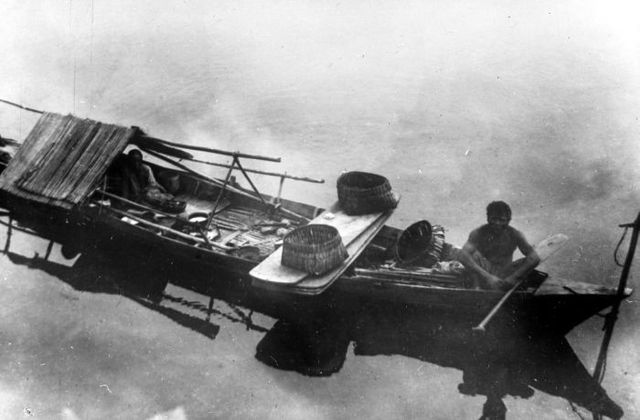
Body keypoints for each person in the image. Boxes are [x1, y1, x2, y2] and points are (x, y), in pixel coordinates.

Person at [456, 201, 540, 290]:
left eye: (501, 220)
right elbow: (462, 255)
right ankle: (476, 288)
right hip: (484, 273)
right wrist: (488, 277)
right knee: (472, 255)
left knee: (528, 261)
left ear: (508, 220)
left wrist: (514, 277)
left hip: (506, 274)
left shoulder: (515, 234)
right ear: (488, 218)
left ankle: (509, 287)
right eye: (494, 219)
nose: (497, 223)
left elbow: (534, 258)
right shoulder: (478, 233)